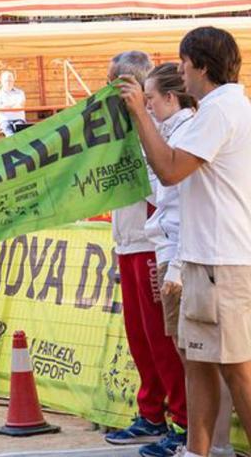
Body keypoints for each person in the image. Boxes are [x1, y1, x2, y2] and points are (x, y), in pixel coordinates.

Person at [118, 26, 251, 457]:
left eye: (185, 63)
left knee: (235, 369)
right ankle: (197, 451)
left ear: (202, 67)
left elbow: (170, 170)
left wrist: (140, 115)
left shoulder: (219, 110)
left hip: (220, 259)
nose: (181, 70)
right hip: (204, 257)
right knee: (198, 363)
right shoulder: (221, 108)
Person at [103, 51, 188, 456]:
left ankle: (183, 420)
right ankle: (151, 413)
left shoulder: (157, 129)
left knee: (163, 340)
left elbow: (163, 189)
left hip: (153, 244)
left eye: (113, 83)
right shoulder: (120, 131)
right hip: (128, 242)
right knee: (140, 339)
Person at [0, 71, 26, 136]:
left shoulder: (20, 92)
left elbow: (20, 105)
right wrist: (13, 105)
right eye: (6, 81)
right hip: (4, 121)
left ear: (13, 81)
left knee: (21, 133)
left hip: (19, 119)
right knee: (9, 132)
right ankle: (13, 142)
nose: (8, 83)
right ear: (2, 82)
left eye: (10, 80)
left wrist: (6, 106)